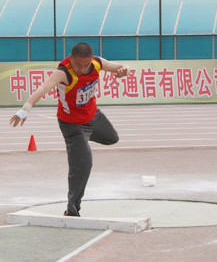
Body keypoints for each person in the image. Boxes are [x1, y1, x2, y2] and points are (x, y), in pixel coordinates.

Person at [9, 43, 130, 217]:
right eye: (78, 64)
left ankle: (81, 146)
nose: (82, 68)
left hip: (93, 116)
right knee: (83, 165)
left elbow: (120, 67)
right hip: (72, 125)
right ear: (71, 59)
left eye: (86, 65)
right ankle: (72, 209)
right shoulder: (63, 72)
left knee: (112, 138)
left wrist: (124, 70)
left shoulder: (97, 63)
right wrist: (26, 108)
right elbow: (43, 88)